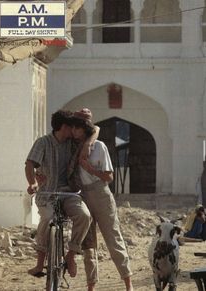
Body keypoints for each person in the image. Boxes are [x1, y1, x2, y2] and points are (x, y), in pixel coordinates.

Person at [25, 110, 98, 278]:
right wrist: (33, 183)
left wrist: (87, 144)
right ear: (64, 127)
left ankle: (71, 255)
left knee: (84, 216)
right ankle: (39, 263)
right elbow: (30, 164)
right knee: (48, 218)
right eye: (71, 127)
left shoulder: (72, 143)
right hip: (47, 193)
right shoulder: (43, 143)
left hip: (68, 194)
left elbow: (95, 129)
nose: (73, 131)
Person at [68, 108, 133, 291]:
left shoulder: (98, 147)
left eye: (77, 128)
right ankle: (91, 285)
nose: (73, 131)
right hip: (82, 194)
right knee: (89, 243)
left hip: (100, 194)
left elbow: (108, 177)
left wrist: (90, 169)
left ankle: (128, 282)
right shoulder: (73, 148)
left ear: (84, 128)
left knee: (113, 238)